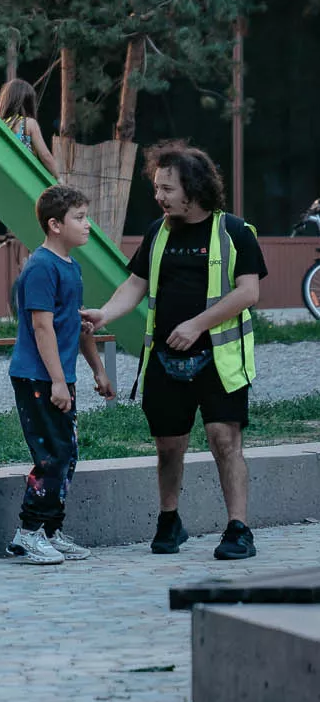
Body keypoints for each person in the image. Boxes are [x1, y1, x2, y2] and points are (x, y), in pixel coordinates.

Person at [85, 142, 264, 561]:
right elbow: (135, 284)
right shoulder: (158, 232)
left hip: (220, 361)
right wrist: (104, 314)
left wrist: (197, 324)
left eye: (167, 188)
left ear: (195, 188)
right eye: (157, 187)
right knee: (168, 445)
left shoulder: (236, 232)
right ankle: (170, 521)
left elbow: (249, 291)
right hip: (165, 361)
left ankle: (239, 529)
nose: (159, 196)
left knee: (225, 440)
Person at [6, 184, 117, 566]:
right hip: (38, 377)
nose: (89, 226)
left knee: (66, 455)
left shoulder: (71, 267)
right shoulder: (40, 267)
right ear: (55, 224)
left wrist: (98, 371)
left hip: (57, 376)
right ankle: (28, 533)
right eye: (80, 218)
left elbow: (76, 324)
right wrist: (56, 381)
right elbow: (42, 328)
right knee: (52, 455)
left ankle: (50, 531)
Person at [0, 78, 59, 175]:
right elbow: (45, 156)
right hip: (24, 176)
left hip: (3, 173)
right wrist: (59, 177)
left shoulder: (0, 124)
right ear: (28, 102)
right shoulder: (28, 123)